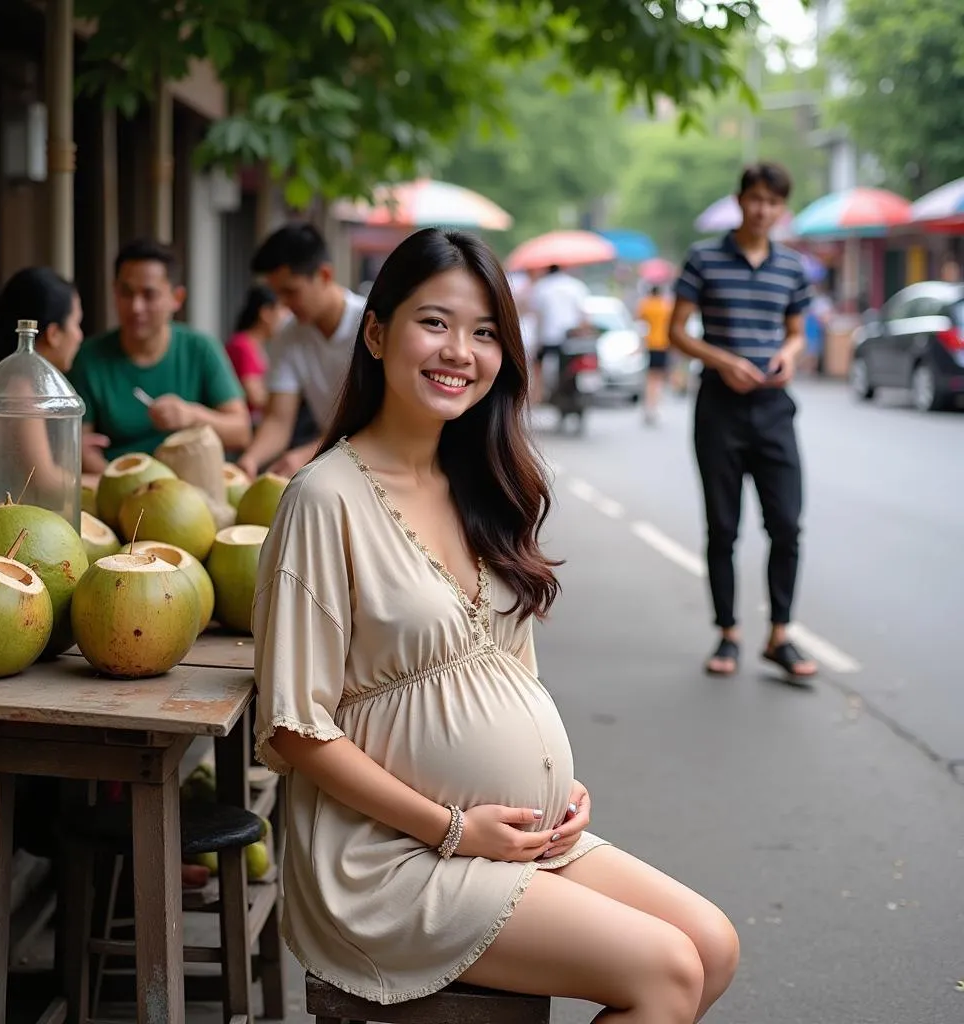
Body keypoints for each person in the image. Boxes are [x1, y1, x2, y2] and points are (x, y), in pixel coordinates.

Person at [252, 228, 739, 1022]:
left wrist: (559, 785)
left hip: (513, 837)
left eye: (484, 332)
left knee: (712, 944)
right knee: (665, 974)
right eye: (434, 323)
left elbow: (511, 674)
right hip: (393, 857)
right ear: (376, 333)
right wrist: (452, 828)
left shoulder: (482, 484)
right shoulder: (324, 499)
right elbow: (296, 732)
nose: (460, 351)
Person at [669, 162, 818, 681]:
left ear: (782, 208)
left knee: (787, 525)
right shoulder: (704, 257)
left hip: (775, 408)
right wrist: (722, 361)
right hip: (720, 408)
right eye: (755, 199)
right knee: (723, 527)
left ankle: (780, 633)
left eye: (773, 203)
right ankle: (728, 632)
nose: (763, 210)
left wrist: (790, 353)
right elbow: (677, 331)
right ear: (740, 201)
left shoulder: (793, 267)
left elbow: (797, 330)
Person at [69, 239, 251, 473]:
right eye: (126, 293)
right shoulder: (88, 358)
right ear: (114, 292)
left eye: (149, 295)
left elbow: (241, 432)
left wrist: (191, 416)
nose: (136, 306)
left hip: (193, 490)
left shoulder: (201, 349)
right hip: (114, 490)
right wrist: (118, 481)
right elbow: (81, 446)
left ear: (177, 298)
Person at [237, 223, 365, 480]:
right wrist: (249, 461)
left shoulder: (369, 325)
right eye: (277, 294)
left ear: (325, 275)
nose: (283, 304)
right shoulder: (289, 335)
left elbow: (378, 421)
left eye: (291, 292)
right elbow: (277, 420)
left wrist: (307, 453)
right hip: (330, 463)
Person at [0, 266, 110, 497]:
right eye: (77, 323)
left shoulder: (12, 380)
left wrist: (67, 447)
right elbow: (45, 481)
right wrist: (111, 482)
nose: (79, 336)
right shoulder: (21, 390)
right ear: (54, 334)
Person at [526, 264, 589, 402]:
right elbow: (583, 316)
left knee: (537, 368)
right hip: (569, 338)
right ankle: (568, 395)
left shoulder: (541, 287)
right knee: (570, 370)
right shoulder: (575, 286)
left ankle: (537, 397)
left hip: (547, 337)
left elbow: (538, 316)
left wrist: (537, 339)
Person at [227, 284, 289, 416]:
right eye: (283, 309)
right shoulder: (242, 346)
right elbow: (255, 397)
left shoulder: (256, 345)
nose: (286, 316)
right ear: (266, 313)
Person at [636, 284, 673, 424]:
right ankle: (654, 406)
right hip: (663, 345)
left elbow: (640, 322)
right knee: (657, 378)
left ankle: (648, 406)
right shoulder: (666, 306)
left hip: (650, 344)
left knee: (650, 378)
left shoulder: (646, 305)